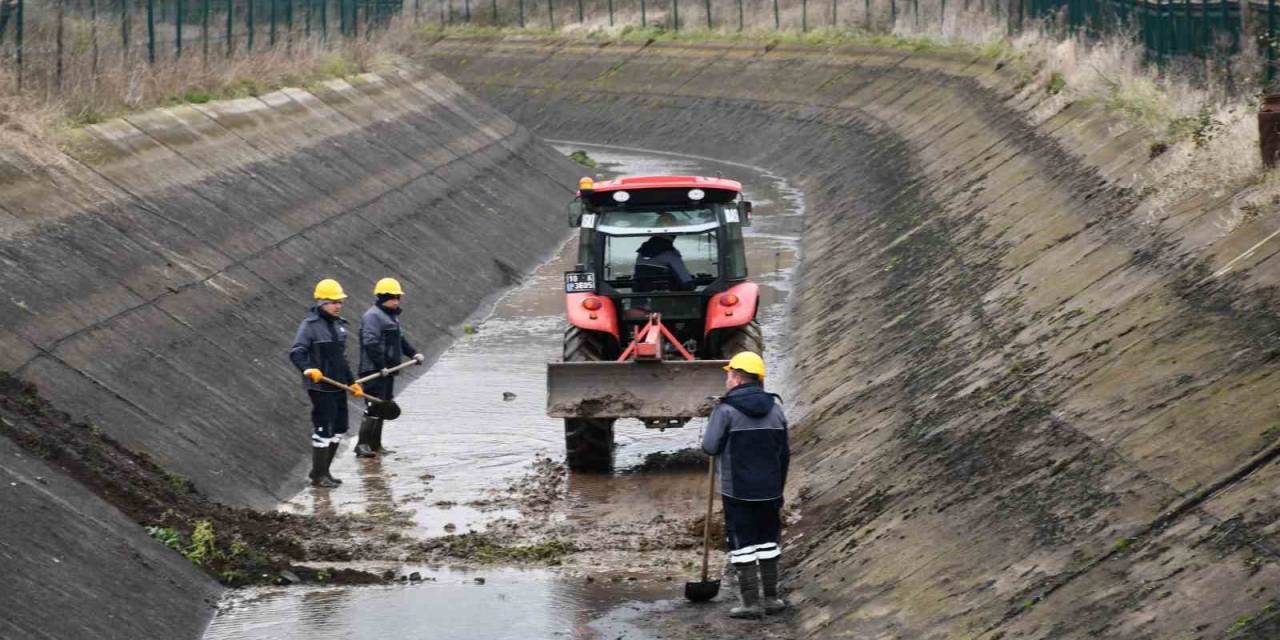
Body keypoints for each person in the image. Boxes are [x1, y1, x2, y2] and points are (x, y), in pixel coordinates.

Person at [701, 351, 790, 619]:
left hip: (737, 491)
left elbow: (709, 447)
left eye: (729, 375)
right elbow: (784, 453)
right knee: (768, 540)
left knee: (742, 543)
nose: (727, 380)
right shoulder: (776, 409)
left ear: (738, 378)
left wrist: (714, 420)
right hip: (771, 490)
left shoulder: (725, 410)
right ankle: (772, 599)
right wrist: (778, 486)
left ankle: (750, 604)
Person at [289, 279, 363, 488]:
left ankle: (324, 472)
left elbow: (342, 359)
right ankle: (318, 476)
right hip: (320, 387)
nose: (338, 305)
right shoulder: (310, 326)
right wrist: (308, 369)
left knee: (340, 427)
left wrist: (352, 383)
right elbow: (297, 352)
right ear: (322, 302)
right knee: (324, 429)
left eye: (340, 302)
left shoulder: (339, 326)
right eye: (334, 302)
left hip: (339, 385)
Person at [355, 277, 424, 458]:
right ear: (383, 297)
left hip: (388, 371)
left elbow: (400, 340)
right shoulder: (372, 316)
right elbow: (370, 343)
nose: (397, 300)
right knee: (373, 406)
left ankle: (376, 445)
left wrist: (414, 354)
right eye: (393, 297)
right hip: (373, 370)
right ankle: (362, 445)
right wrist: (381, 366)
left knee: (383, 406)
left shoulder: (391, 317)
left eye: (398, 297)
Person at [634, 213, 695, 292]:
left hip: (640, 298)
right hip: (664, 300)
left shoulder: (642, 252)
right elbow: (687, 282)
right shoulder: (671, 254)